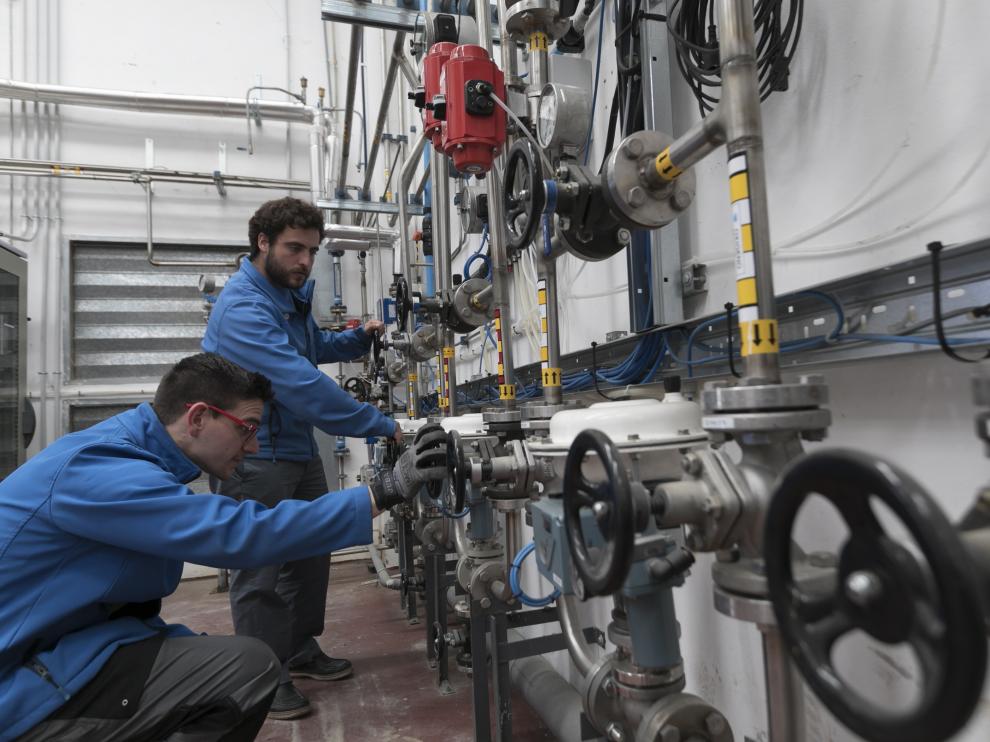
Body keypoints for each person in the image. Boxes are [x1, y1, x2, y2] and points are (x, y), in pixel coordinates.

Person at [0, 353, 447, 741]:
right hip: (14, 680)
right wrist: (382, 491)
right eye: (247, 428)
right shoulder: (98, 471)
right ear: (197, 418)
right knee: (246, 669)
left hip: (54, 645)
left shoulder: (130, 451)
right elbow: (240, 534)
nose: (252, 446)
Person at [202, 197, 404, 719]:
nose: (305, 261)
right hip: (252, 454)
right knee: (260, 569)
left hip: (295, 446)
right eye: (295, 248)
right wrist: (382, 425)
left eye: (312, 251)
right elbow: (299, 383)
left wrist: (355, 339)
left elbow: (310, 346)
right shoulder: (244, 307)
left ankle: (298, 649)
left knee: (312, 552)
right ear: (262, 243)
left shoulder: (285, 296)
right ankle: (262, 677)